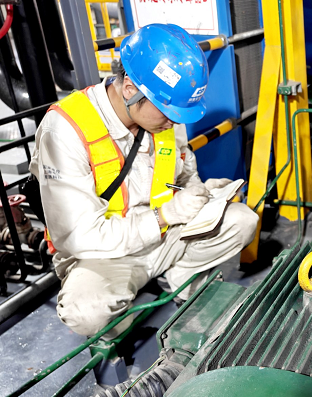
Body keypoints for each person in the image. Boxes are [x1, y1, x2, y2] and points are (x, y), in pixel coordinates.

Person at [30, 24, 259, 339]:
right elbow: (80, 236)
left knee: (242, 221)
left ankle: (179, 277)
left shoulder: (163, 119)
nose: (174, 120)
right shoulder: (65, 130)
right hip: (106, 255)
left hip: (165, 236)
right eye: (168, 110)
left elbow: (183, 174)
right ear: (129, 88)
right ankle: (122, 325)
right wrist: (165, 216)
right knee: (85, 311)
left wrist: (199, 192)